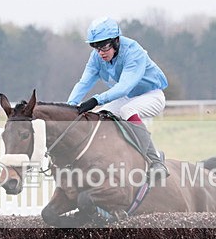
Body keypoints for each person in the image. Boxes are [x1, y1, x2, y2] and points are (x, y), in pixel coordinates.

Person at [67, 17, 169, 181]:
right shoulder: (96, 57)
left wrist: (95, 100)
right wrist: (70, 107)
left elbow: (123, 88)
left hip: (152, 95)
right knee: (99, 116)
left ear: (116, 41)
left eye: (104, 46)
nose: (101, 52)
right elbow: (84, 83)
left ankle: (156, 160)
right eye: (96, 47)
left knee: (127, 110)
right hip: (128, 97)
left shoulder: (133, 51)